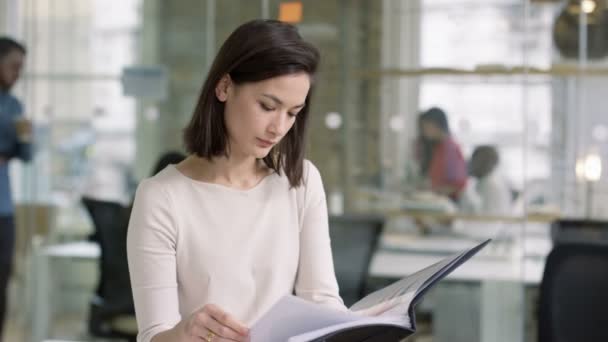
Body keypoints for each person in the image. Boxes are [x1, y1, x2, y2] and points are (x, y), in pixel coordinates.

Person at [127, 20, 346, 342]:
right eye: (268, 106)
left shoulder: (301, 181)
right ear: (225, 87)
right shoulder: (162, 197)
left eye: (292, 112)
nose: (278, 128)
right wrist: (184, 333)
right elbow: (154, 335)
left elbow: (322, 300)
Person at [0, 36, 31, 338]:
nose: (17, 74)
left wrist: (25, 137)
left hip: (4, 208)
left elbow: (26, 155)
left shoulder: (14, 105)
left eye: (21, 68)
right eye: (13, 66)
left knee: (2, 279)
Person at [417, 107, 467, 201]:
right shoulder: (438, 147)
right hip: (437, 199)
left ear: (437, 125)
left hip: (447, 203)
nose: (424, 131)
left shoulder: (450, 148)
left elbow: (458, 184)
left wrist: (432, 192)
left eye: (426, 126)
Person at [461, 145, 512, 216]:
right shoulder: (486, 182)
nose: (469, 163)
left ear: (486, 163)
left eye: (474, 159)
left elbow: (485, 220)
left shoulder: (490, 185)